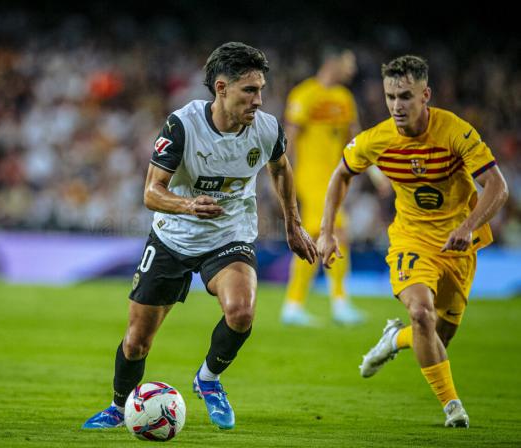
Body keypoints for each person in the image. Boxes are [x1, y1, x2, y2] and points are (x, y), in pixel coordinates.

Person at [82, 42, 318, 431]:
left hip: (229, 234)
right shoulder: (182, 125)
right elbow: (150, 193)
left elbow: (281, 169)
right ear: (221, 89)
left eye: (261, 89)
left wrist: (292, 224)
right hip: (172, 237)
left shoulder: (267, 128)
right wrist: (188, 206)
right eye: (249, 90)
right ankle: (119, 405)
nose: (259, 100)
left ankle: (208, 380)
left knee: (242, 311)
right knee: (136, 341)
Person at [317, 55, 508, 428]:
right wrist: (326, 231)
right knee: (421, 312)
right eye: (390, 97)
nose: (396, 106)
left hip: (457, 244)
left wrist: (468, 226)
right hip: (411, 238)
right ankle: (453, 407)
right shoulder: (378, 139)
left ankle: (394, 340)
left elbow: (497, 186)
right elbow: (341, 174)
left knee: (439, 335)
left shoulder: (455, 131)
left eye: (405, 96)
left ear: (426, 95)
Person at [281, 46, 368, 326]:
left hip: (335, 180)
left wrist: (367, 171)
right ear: (332, 62)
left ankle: (293, 305)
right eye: (349, 62)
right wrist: (283, 179)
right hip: (309, 178)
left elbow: (354, 139)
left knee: (315, 238)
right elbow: (290, 141)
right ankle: (340, 302)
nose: (353, 69)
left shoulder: (344, 98)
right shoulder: (304, 95)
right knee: (337, 232)